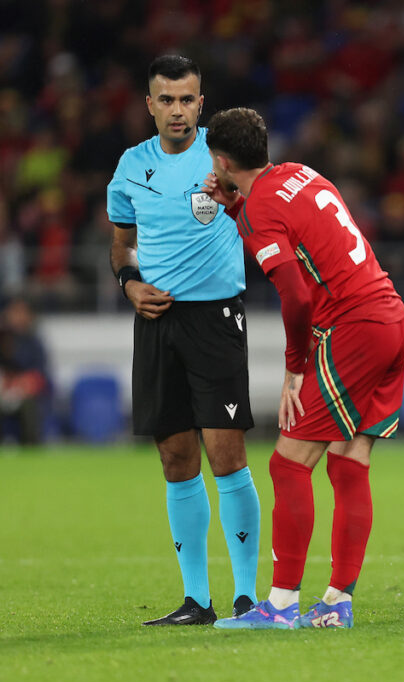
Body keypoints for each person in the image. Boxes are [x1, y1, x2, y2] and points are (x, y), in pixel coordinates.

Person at [203, 107, 404, 629]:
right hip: (391, 318)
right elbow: (291, 228)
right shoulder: (301, 173)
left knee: (288, 463)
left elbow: (295, 295)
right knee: (347, 461)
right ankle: (336, 603)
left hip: (354, 328)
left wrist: (295, 365)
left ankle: (279, 605)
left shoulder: (259, 210)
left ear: (222, 159)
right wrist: (234, 207)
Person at [107, 55, 260, 626]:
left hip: (216, 318)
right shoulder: (129, 167)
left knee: (227, 454)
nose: (177, 110)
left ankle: (246, 597)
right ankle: (197, 600)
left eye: (187, 99)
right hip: (156, 323)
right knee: (175, 458)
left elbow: (264, 218)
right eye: (166, 100)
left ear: (202, 102)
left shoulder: (224, 161)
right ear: (150, 105)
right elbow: (121, 247)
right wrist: (129, 284)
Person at [0, 297, 50, 445]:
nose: (18, 316)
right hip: (3, 388)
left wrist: (21, 384)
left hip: (25, 392)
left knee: (29, 407)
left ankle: (30, 447)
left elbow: (39, 374)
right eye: (14, 312)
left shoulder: (34, 343)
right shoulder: (3, 339)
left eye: (22, 312)